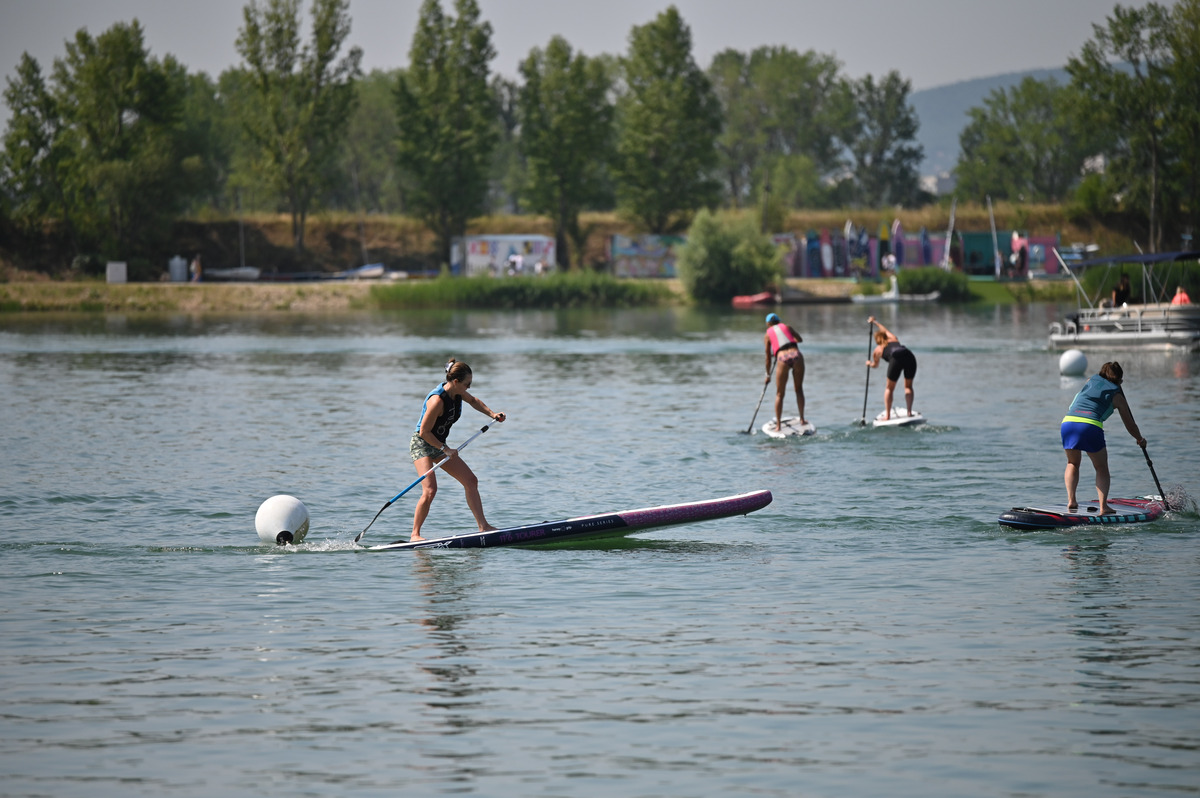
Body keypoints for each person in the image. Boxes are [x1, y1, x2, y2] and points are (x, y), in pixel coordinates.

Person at [409, 359, 506, 541]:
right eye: (467, 384)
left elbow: (474, 401)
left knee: (471, 481)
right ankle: (415, 535)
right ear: (455, 382)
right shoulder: (437, 401)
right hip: (422, 444)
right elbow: (424, 432)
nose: (469, 387)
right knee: (430, 490)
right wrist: (444, 448)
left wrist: (492, 414)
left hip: (439, 444)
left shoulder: (458, 393)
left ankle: (483, 526)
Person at [1060, 361, 1146, 514]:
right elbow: (1130, 425)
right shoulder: (1117, 396)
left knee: (1072, 462)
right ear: (1120, 380)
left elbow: (1074, 402)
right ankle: (1103, 507)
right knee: (1101, 468)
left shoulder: (1089, 382)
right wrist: (1140, 439)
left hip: (1068, 422)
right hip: (1090, 425)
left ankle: (1071, 500)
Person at [865, 316, 917, 420]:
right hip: (909, 356)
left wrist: (869, 364)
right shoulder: (893, 338)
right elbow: (884, 329)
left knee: (889, 388)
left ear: (877, 340)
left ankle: (887, 416)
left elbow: (875, 365)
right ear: (886, 336)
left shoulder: (877, 350)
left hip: (896, 358)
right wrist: (875, 322)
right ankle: (909, 412)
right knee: (908, 387)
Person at [763, 312, 806, 431]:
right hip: (796, 355)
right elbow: (800, 340)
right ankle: (802, 419)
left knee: (779, 394)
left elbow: (767, 358)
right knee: (799, 389)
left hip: (782, 358)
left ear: (768, 324)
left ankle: (778, 426)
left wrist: (768, 375)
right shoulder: (787, 327)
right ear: (779, 321)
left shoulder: (767, 334)